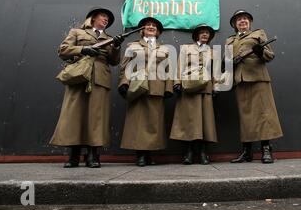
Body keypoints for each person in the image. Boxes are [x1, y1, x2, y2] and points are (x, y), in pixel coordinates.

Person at [50, 7, 124, 168]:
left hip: (100, 78)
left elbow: (114, 61)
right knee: (74, 115)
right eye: (103, 16)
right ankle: (73, 155)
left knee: (96, 118)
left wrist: (117, 47)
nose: (106, 20)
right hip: (79, 77)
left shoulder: (109, 38)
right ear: (93, 18)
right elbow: (63, 50)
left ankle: (93, 154)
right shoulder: (77, 32)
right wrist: (83, 49)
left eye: (108, 19)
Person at [226, 10, 283, 164]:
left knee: (264, 114)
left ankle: (266, 149)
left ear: (249, 22)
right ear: (234, 24)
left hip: (258, 78)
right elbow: (226, 62)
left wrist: (260, 52)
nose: (242, 21)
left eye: (245, 19)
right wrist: (232, 61)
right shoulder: (229, 40)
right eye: (238, 20)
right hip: (241, 79)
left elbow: (270, 56)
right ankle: (247, 152)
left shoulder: (258, 34)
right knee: (246, 117)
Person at [118, 17, 173, 166]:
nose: (151, 27)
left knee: (153, 123)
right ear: (141, 30)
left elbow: (169, 70)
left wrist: (168, 88)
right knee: (138, 122)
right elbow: (125, 67)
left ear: (158, 31)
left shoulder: (165, 49)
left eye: (154, 25)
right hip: (137, 87)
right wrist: (124, 83)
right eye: (147, 25)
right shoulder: (132, 46)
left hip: (157, 87)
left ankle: (150, 154)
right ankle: (140, 155)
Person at [170, 24, 218, 165]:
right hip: (189, 87)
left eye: (207, 33)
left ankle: (203, 152)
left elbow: (216, 72)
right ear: (196, 35)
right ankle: (188, 153)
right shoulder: (186, 49)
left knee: (205, 121)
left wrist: (216, 87)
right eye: (202, 32)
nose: (205, 35)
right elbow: (180, 65)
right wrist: (177, 82)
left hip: (206, 88)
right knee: (188, 121)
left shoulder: (213, 52)